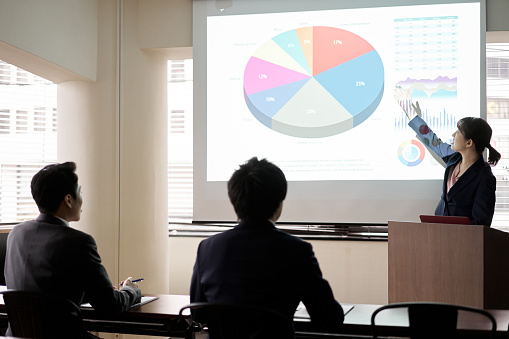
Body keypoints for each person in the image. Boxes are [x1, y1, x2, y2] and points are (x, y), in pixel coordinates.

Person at [190, 157, 344, 338]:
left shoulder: (207, 248)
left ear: (234, 202)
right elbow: (329, 318)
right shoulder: (297, 250)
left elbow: (198, 313)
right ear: (279, 203)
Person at [4, 162, 141, 337]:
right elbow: (109, 306)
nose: (83, 198)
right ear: (68, 200)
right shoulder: (80, 242)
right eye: (81, 192)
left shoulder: (16, 233)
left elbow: (45, 290)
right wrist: (131, 291)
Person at [395, 88, 501, 226]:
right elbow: (432, 139)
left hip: (461, 240)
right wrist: (410, 111)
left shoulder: (484, 177)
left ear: (469, 143)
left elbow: (481, 223)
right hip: (438, 231)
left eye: (458, 132)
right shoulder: (453, 158)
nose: (453, 135)